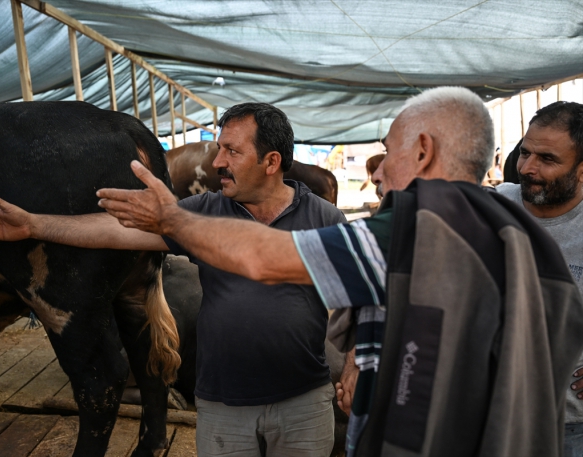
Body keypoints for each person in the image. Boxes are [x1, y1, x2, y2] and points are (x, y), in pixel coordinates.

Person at [89, 87, 583, 456]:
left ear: (424, 152)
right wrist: (358, 362)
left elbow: (265, 258)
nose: (380, 171)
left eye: (389, 151)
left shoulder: (420, 229)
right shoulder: (517, 230)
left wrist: (173, 218)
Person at [0, 102, 346, 457]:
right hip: (225, 406)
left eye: (232, 151)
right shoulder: (204, 212)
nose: (217, 164)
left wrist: (362, 362)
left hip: (304, 404)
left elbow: (364, 299)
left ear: (271, 161)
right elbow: (114, 231)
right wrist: (34, 224)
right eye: (219, 149)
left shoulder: (325, 219)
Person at [496, 101, 583, 457]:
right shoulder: (489, 208)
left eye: (547, 159)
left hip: (569, 428)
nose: (527, 168)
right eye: (525, 153)